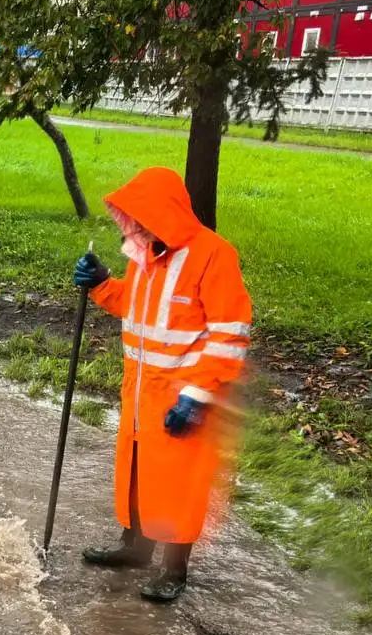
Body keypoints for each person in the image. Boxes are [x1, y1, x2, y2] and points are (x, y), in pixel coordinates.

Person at [73, 167, 252, 602]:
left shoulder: (214, 255)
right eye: (134, 218)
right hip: (139, 391)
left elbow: (230, 333)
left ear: (168, 213)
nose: (138, 226)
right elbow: (134, 305)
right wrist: (100, 285)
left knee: (176, 484)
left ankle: (175, 570)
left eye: (145, 216)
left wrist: (197, 395)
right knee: (137, 473)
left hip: (185, 395)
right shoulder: (147, 257)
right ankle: (134, 548)